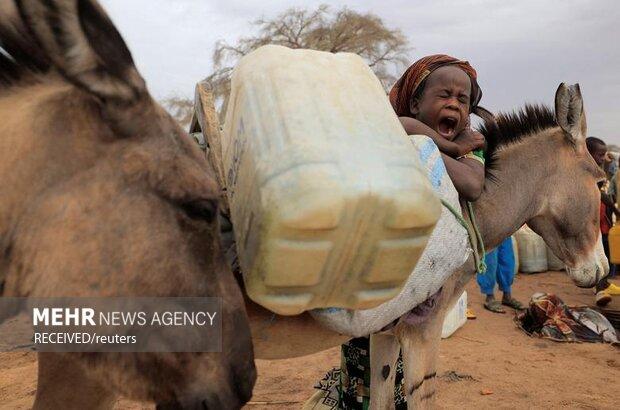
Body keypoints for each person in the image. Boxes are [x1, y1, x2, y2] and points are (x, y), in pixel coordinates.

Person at [389, 54, 486, 201]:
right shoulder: (397, 133)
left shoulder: (471, 142)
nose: (454, 104)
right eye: (444, 95)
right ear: (415, 105)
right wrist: (454, 148)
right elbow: (403, 123)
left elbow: (472, 186)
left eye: (462, 100)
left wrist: (420, 149)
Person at [585, 137, 620, 306]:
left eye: (604, 155)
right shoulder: (588, 170)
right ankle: (600, 290)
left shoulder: (597, 168)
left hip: (601, 219)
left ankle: (604, 284)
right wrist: (615, 209)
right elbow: (602, 195)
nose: (602, 158)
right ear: (588, 153)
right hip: (592, 220)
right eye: (599, 155)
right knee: (599, 255)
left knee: (606, 251)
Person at [476, 237, 523, 313]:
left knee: (506, 257)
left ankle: (507, 295)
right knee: (490, 258)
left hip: (506, 227)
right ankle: (489, 296)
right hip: (490, 227)